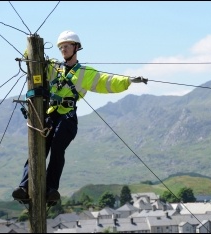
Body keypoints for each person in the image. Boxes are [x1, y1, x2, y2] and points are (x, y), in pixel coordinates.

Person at [12, 30, 148, 201]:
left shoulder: (86, 73)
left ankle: (50, 189)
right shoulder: (53, 67)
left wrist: (128, 80)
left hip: (67, 118)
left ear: (76, 48)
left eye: (66, 46)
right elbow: (34, 58)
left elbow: (107, 81)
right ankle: (25, 186)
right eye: (61, 47)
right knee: (38, 148)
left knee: (57, 149)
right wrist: (31, 45)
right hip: (49, 115)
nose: (63, 50)